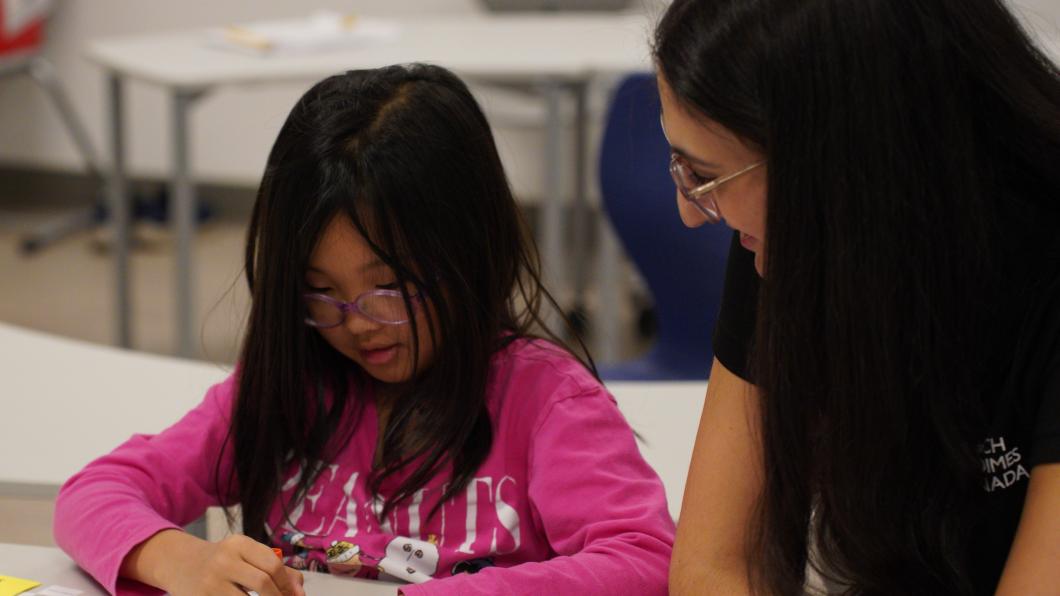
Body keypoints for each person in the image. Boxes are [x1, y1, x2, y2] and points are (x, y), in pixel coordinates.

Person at [53, 64, 675, 596]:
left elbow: (647, 561)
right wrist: (179, 558)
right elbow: (94, 493)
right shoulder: (288, 389)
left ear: (471, 250)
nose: (356, 324)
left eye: (387, 289)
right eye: (319, 292)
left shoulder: (546, 402)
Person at [652, 0, 1060, 595]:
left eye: (704, 176)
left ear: (844, 165)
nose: (688, 213)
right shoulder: (792, 237)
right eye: (679, 165)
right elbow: (716, 566)